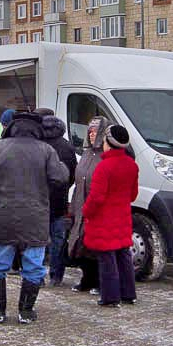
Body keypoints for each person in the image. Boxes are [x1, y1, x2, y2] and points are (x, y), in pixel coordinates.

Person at [0, 112, 68, 324]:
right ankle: (26, 312)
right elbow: (61, 177)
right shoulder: (46, 150)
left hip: (3, 215)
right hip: (35, 216)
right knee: (33, 265)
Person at [82, 125, 139, 307]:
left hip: (103, 220)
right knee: (124, 255)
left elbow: (96, 197)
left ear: (108, 143)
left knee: (107, 258)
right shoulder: (132, 165)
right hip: (122, 218)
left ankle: (110, 297)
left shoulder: (104, 167)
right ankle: (128, 293)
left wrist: (85, 211)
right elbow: (133, 195)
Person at [67, 116, 113, 294]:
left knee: (96, 245)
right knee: (80, 244)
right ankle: (87, 279)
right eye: (90, 131)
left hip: (97, 207)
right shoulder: (86, 153)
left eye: (95, 131)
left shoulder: (106, 155)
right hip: (81, 203)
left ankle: (100, 282)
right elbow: (79, 180)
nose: (92, 135)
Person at [34, 108, 77, 287]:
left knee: (38, 240)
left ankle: (37, 274)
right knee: (58, 239)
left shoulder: (37, 144)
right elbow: (72, 173)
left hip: (39, 199)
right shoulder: (67, 146)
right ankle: (56, 275)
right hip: (59, 199)